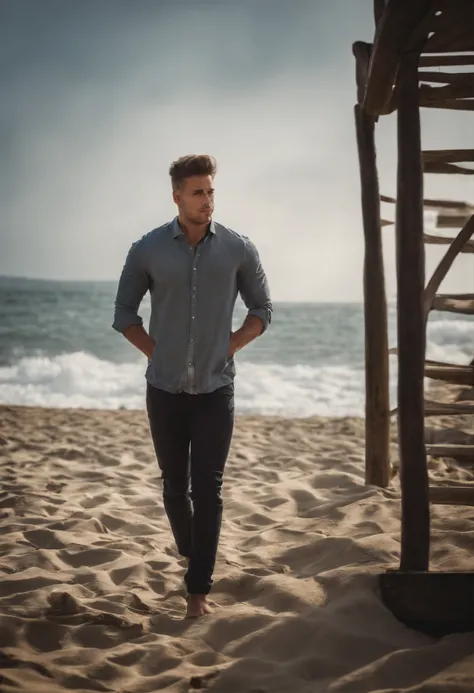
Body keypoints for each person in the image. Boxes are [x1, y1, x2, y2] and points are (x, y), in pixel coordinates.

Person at [112, 154, 272, 618]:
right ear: (177, 196)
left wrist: (233, 344)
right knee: (173, 489)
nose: (208, 201)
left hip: (215, 390)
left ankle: (198, 589)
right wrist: (156, 353)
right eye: (198, 192)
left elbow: (263, 308)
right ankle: (193, 552)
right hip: (163, 389)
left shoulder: (239, 248)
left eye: (212, 191)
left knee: (209, 489)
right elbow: (124, 313)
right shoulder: (146, 249)